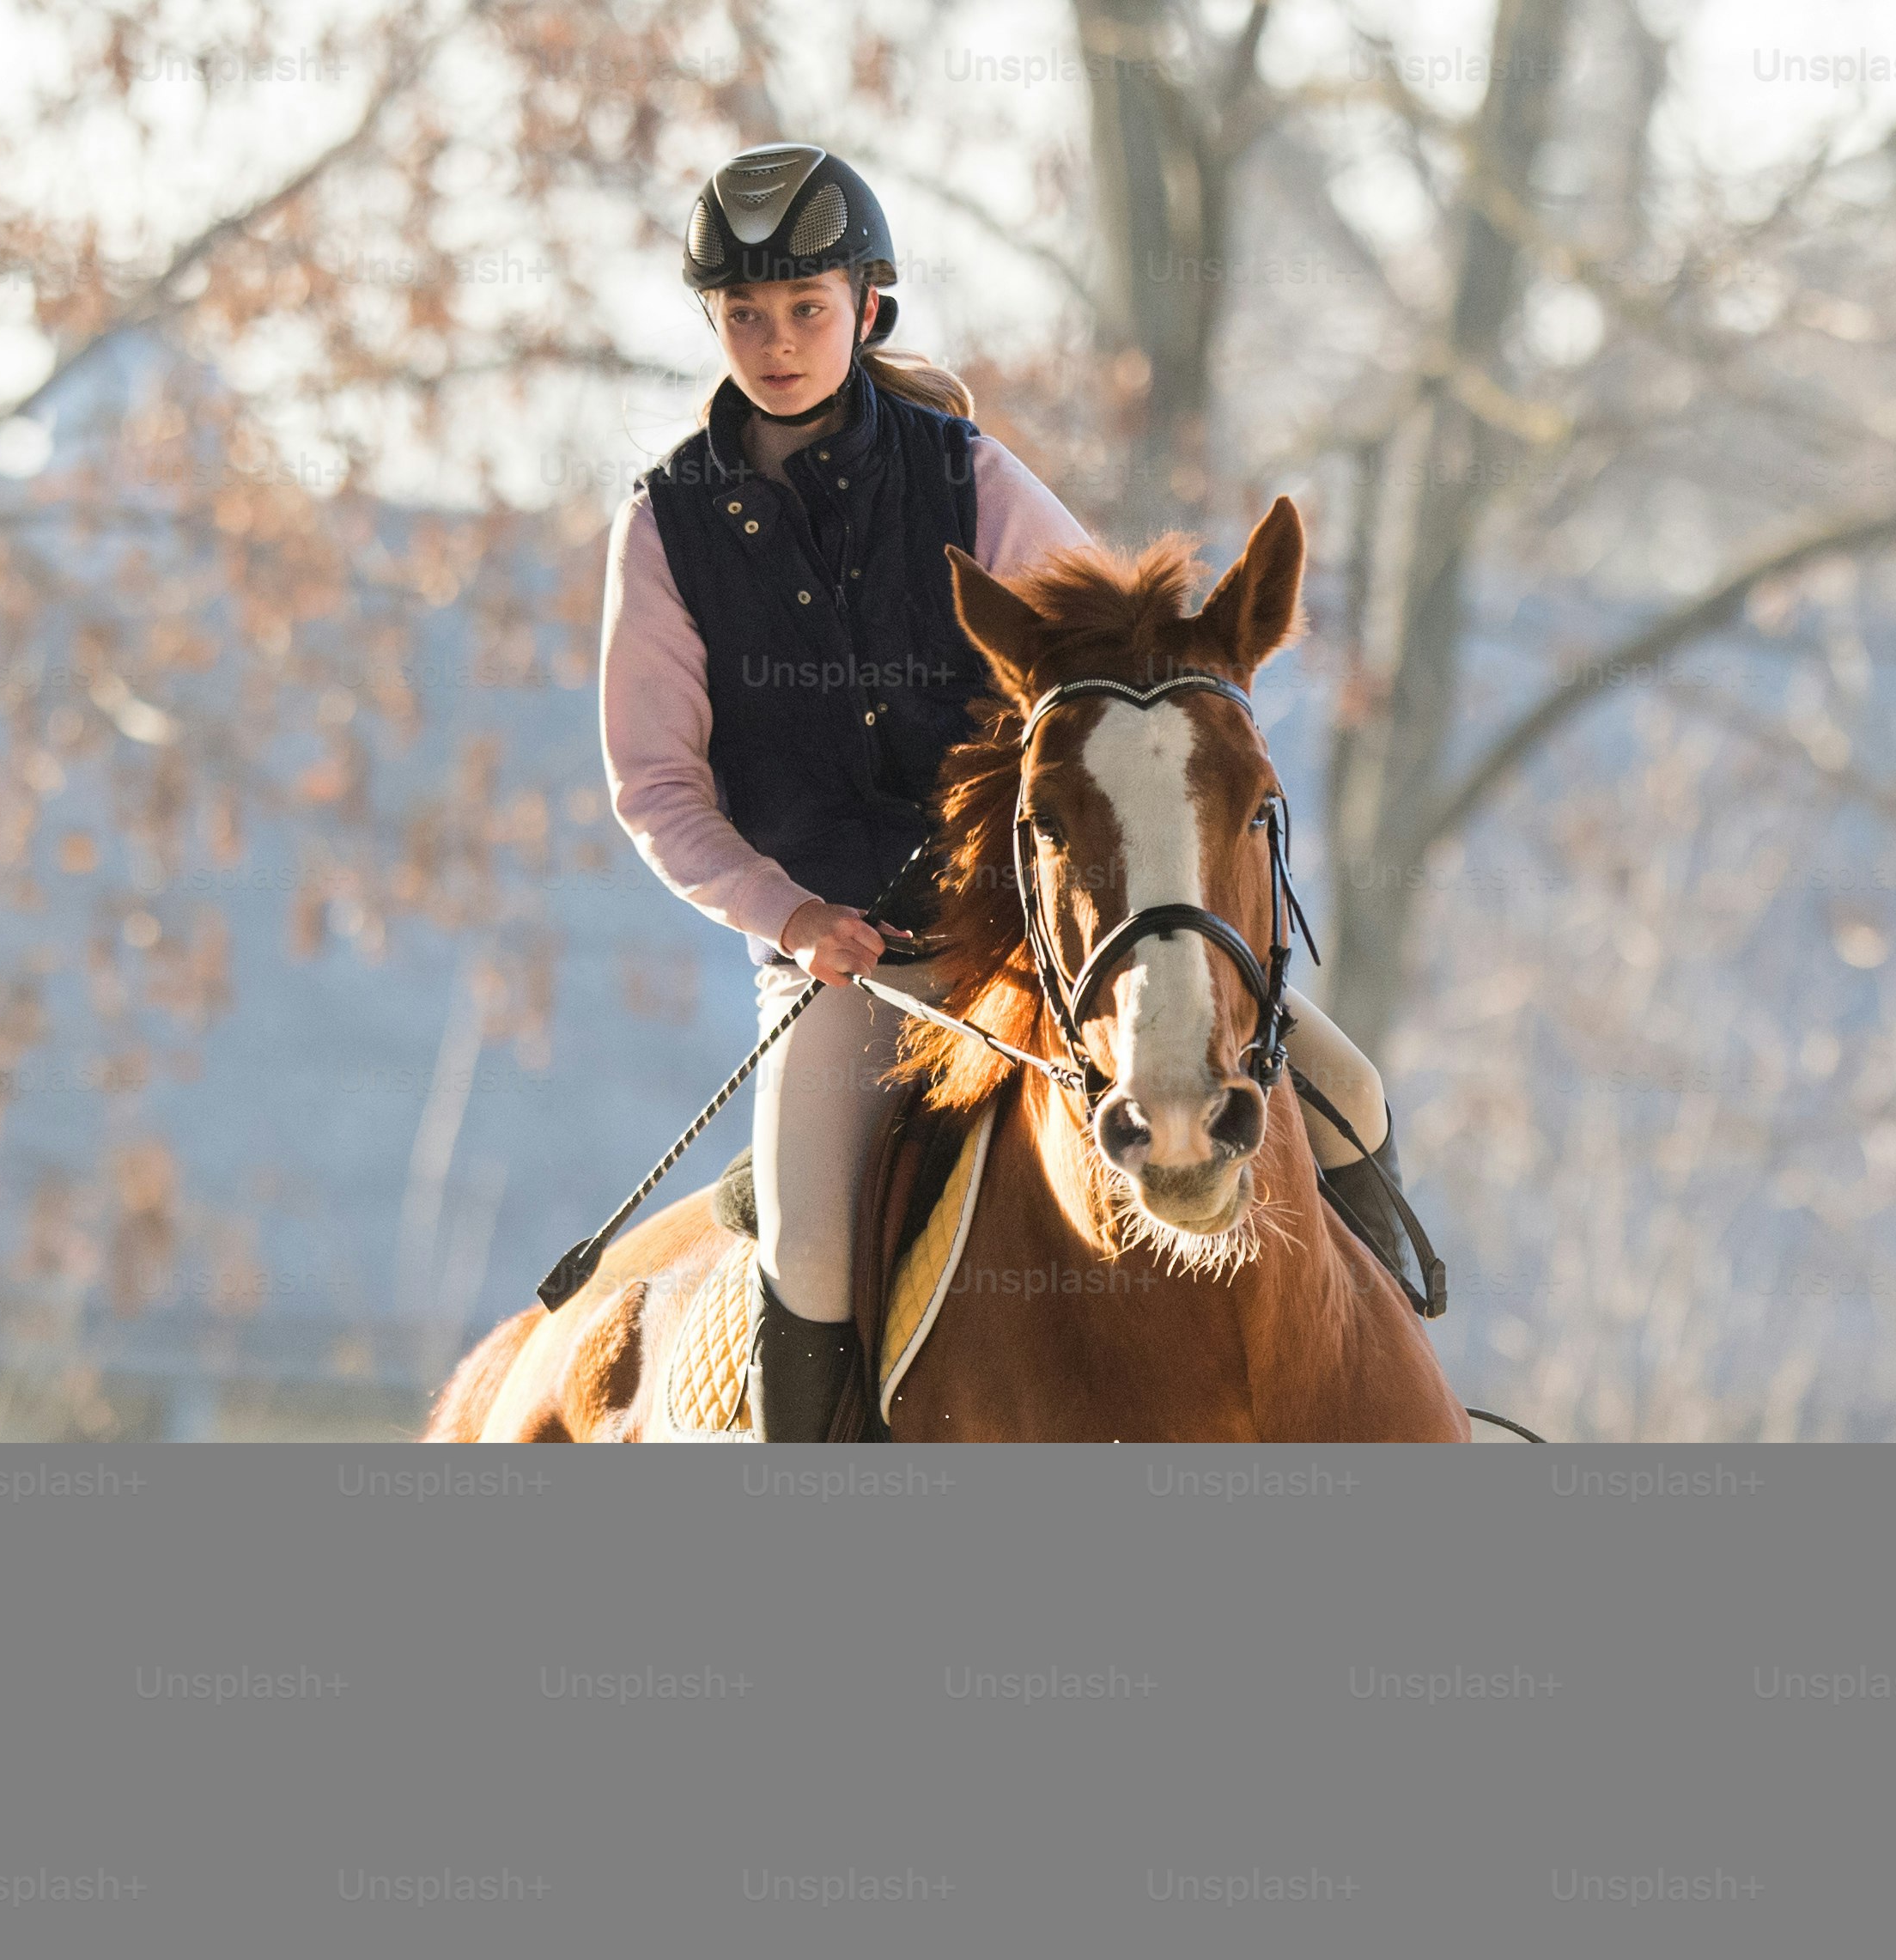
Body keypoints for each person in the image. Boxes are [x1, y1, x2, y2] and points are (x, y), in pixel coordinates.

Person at [598, 141, 1443, 1440]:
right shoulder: (666, 526)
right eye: (745, 315)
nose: (776, 342)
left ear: (866, 309)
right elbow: (656, 787)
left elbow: (1115, 689)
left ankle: (1396, 1391)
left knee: (1354, 1098)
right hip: (849, 973)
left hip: (1050, 946)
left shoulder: (968, 477)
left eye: (806, 310)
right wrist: (790, 917)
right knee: (811, 1250)